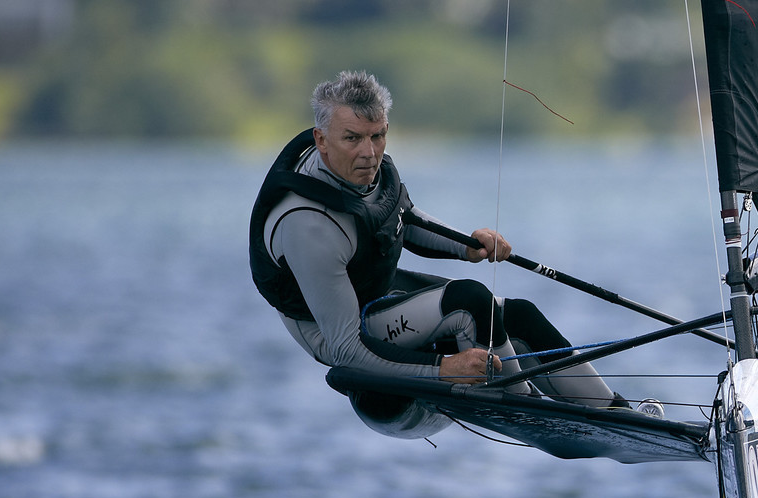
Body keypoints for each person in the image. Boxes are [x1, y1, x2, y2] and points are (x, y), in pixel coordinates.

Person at [248, 70, 625, 411]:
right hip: (333, 331)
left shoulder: (360, 167)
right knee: (470, 303)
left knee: (519, 315)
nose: (369, 152)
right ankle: (526, 406)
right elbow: (346, 350)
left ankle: (614, 411)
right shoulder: (307, 224)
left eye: (378, 136)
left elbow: (402, 219)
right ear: (321, 140)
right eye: (353, 139)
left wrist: (467, 244)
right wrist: (444, 369)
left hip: (373, 291)